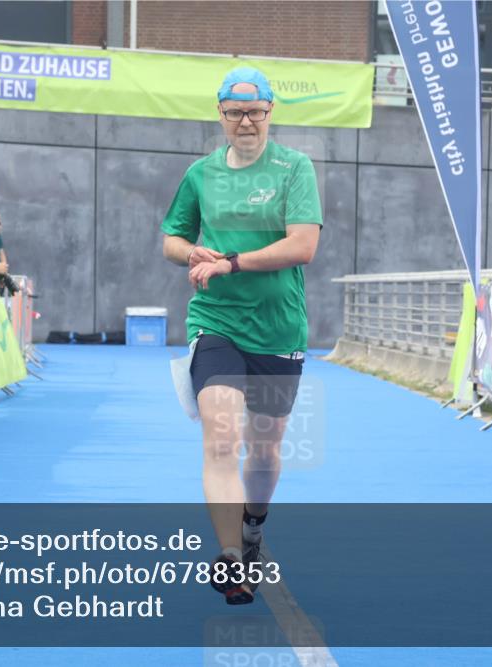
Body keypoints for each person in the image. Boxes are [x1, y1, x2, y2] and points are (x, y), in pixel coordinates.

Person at [160, 66, 322, 605]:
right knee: (221, 438)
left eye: (255, 112)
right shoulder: (201, 173)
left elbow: (302, 246)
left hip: (279, 328)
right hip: (216, 323)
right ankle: (231, 557)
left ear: (271, 111)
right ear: (221, 114)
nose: (245, 122)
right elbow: (172, 239)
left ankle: (254, 524)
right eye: (235, 113)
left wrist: (232, 261)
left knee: (265, 448)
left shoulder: (295, 168)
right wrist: (192, 253)